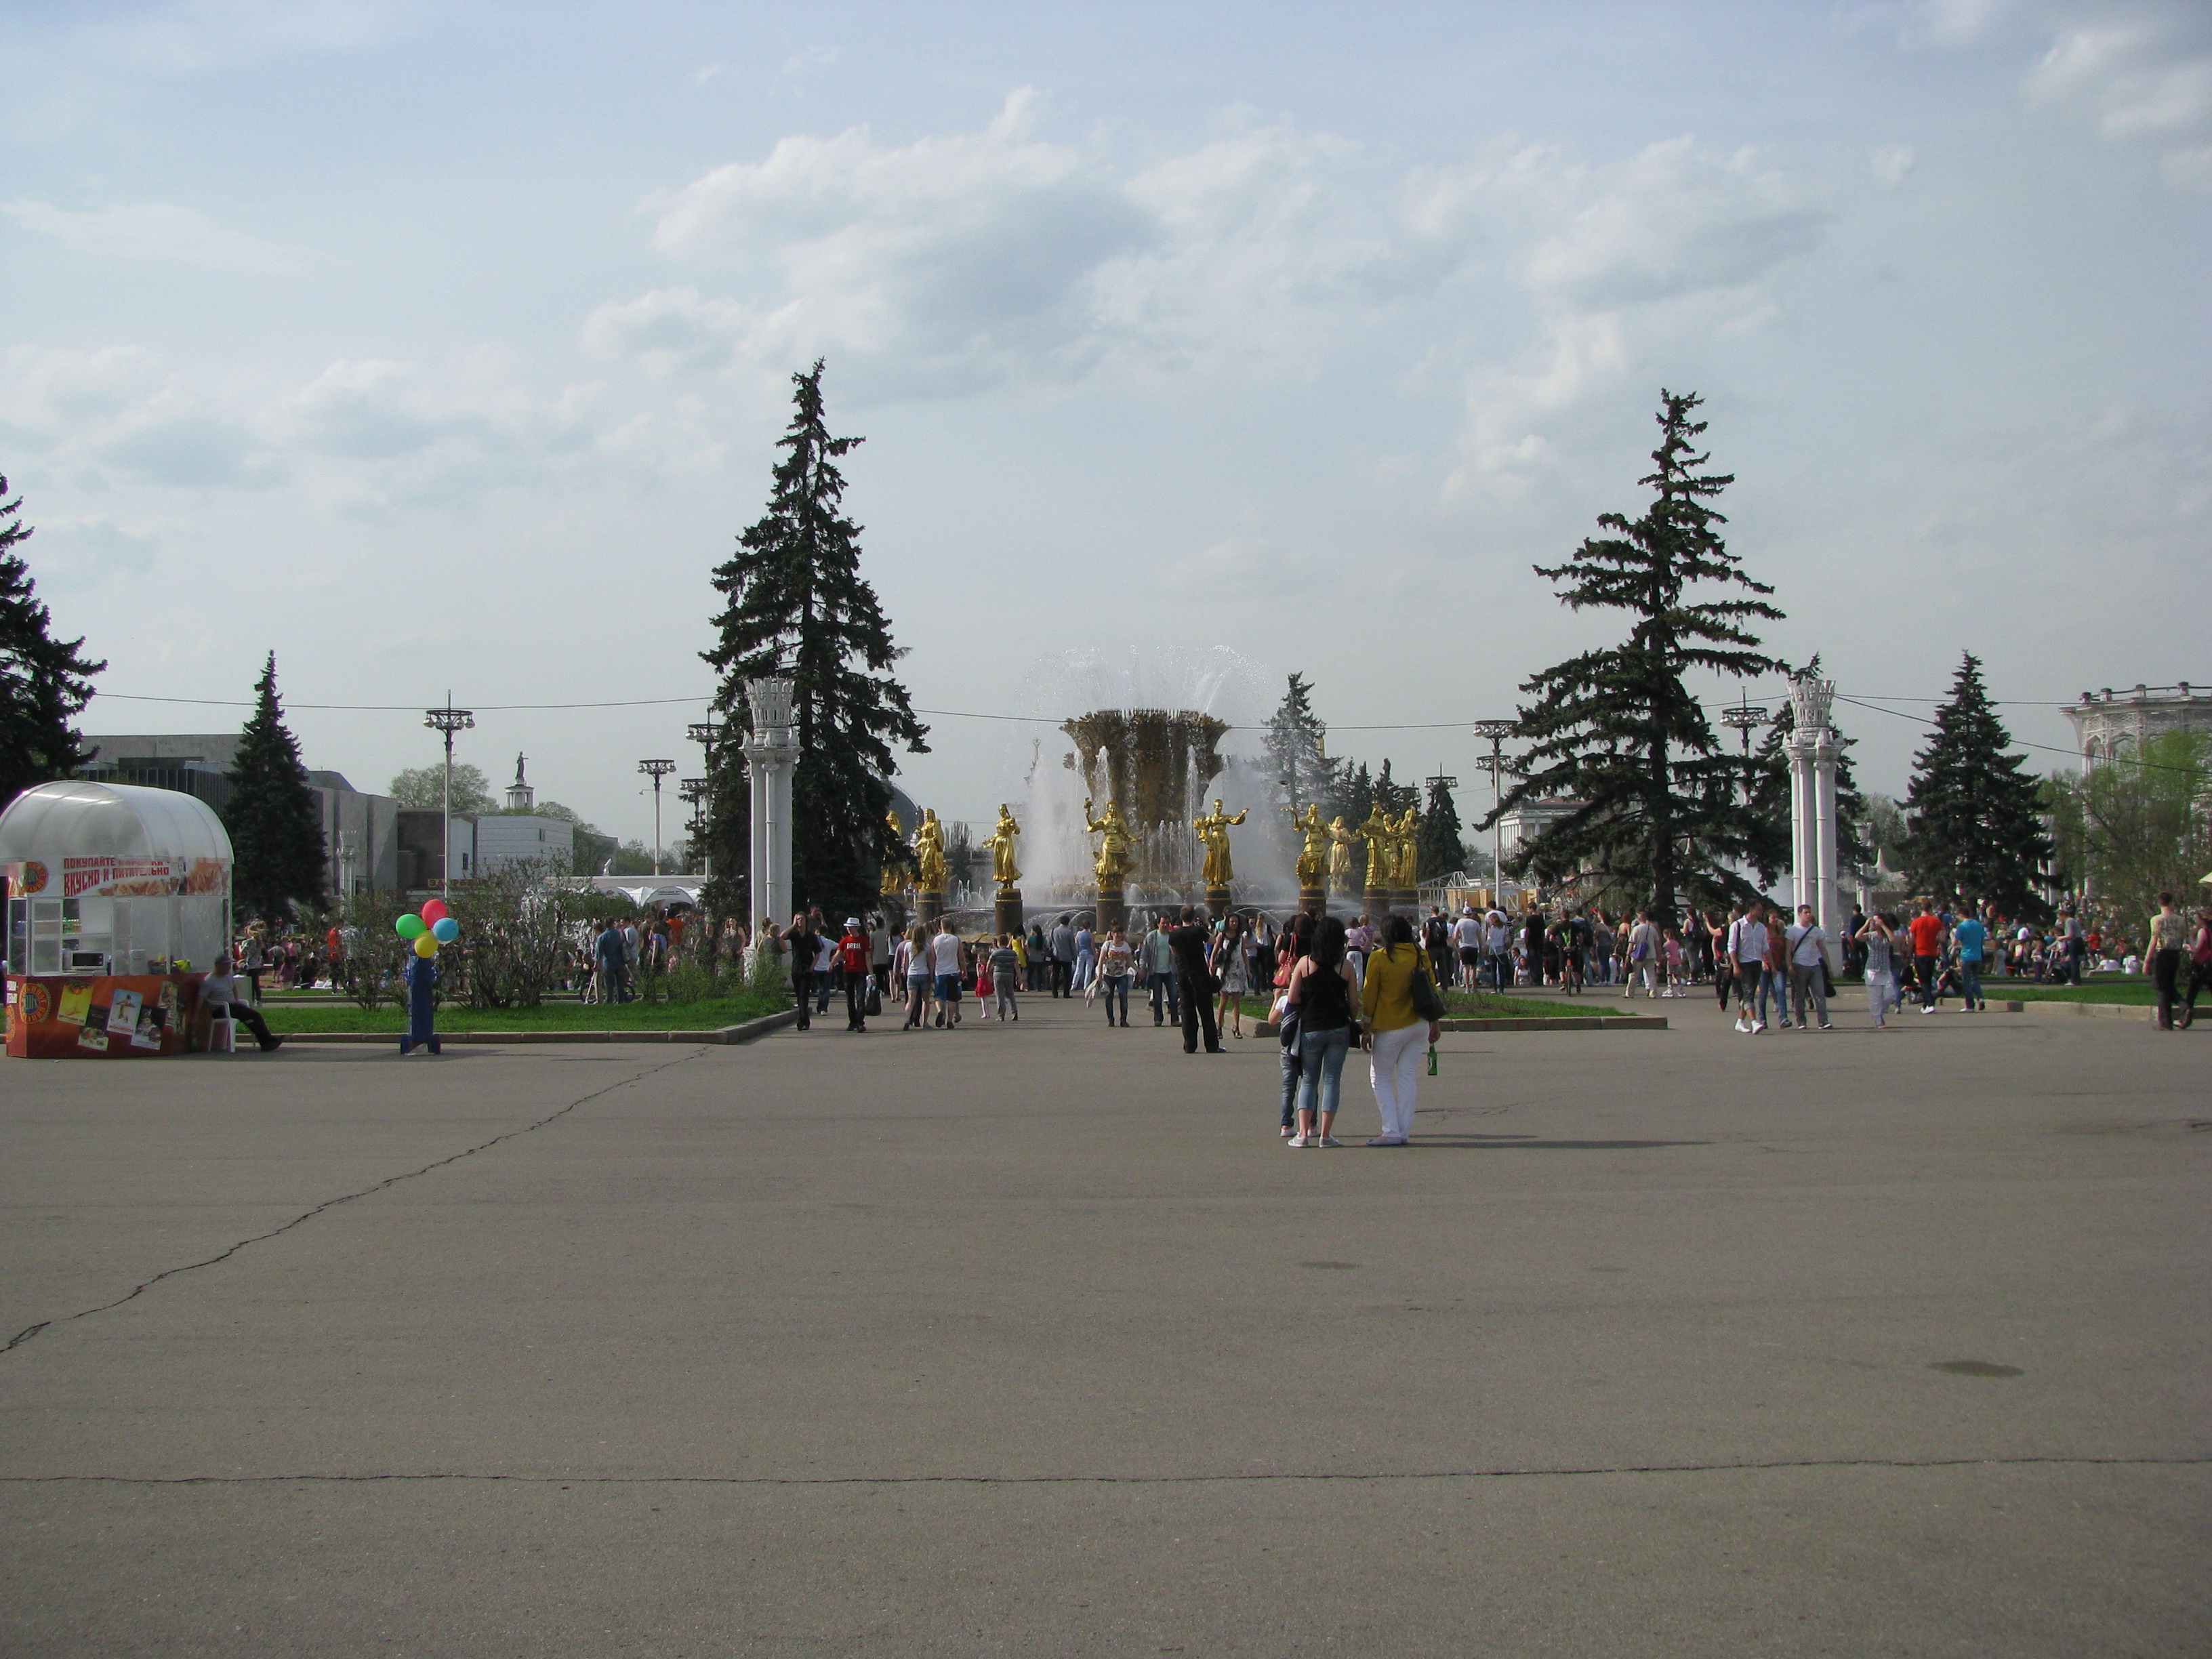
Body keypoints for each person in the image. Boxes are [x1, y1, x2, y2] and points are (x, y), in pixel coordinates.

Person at [1361, 915, 1443, 1147]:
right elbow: (1432, 989)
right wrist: (1434, 1022)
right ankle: (1404, 1130)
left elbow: (1370, 996)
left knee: (1381, 1077)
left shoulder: (1380, 958)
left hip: (1390, 1025)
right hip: (1419, 1023)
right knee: (1407, 1076)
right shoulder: (1420, 954)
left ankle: (1391, 1130)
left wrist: (1366, 1028)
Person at [1285, 916, 1359, 1148]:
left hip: (1311, 1028)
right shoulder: (1346, 966)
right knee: (1332, 1080)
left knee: (1308, 1080)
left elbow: (1293, 997)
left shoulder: (1305, 963)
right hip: (1338, 1027)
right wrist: (1353, 1020)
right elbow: (1354, 1002)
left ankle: (1304, 1134)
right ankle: (1326, 1135)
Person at [200, 956, 282, 1050]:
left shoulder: (228, 976)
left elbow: (234, 988)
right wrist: (195, 1015)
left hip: (233, 1006)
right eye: (226, 965)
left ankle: (267, 1041)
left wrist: (237, 1000)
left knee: (255, 1015)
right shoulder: (209, 981)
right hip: (220, 1009)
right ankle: (267, 1041)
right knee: (247, 1016)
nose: (228, 967)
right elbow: (201, 998)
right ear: (218, 966)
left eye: (229, 965)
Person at [1170, 905, 1222, 1054]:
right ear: (1193, 917)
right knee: (1206, 1012)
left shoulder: (1174, 935)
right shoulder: (1198, 931)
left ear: (1181, 917)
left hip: (1183, 976)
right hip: (1199, 974)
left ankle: (1190, 1045)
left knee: (1187, 1011)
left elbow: (1175, 952)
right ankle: (1211, 1045)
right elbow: (1212, 940)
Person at [2147, 892, 2188, 1031]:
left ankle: (2165, 1022)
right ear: (2171, 902)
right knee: (2170, 985)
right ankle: (2184, 1006)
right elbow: (2183, 937)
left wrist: (2147, 960)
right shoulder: (2181, 920)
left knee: (2161, 987)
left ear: (2159, 903)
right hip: (2175, 954)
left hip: (2162, 953)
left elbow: (2154, 940)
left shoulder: (2156, 920)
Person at [1786, 903, 1831, 1030]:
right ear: (1799, 914)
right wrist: (1790, 966)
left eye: (1809, 912)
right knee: (1800, 995)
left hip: (1815, 965)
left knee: (1819, 994)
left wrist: (1829, 966)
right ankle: (1801, 1021)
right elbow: (1788, 951)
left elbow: (1823, 949)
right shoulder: (1793, 931)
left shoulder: (1816, 931)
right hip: (1799, 965)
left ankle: (1823, 1021)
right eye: (1805, 912)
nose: (1808, 915)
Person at [1727, 902, 1770, 1033]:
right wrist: (1736, 966)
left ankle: (1740, 1021)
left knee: (1748, 994)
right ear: (1751, 910)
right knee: (1749, 991)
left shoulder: (1761, 927)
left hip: (1756, 962)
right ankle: (1754, 1022)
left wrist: (1770, 964)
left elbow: (1765, 947)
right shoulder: (1738, 925)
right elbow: (1732, 947)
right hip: (1743, 963)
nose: (1761, 912)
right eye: (1759, 909)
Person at [1855, 912, 1900, 1029]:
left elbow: (1892, 939)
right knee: (1875, 999)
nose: (1874, 923)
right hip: (1872, 969)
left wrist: (1883, 926)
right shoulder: (1870, 935)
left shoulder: (1886, 935)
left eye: (1876, 921)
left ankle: (1880, 1013)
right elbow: (1858, 937)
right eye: (1873, 921)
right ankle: (1878, 1021)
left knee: (1890, 995)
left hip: (1885, 969)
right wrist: (1866, 924)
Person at [1212, 914, 1252, 1039]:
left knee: (1236, 1000)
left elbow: (1244, 953)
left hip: (1238, 970)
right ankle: (1219, 1026)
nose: (1234, 924)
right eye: (1232, 922)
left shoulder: (1240, 937)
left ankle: (1236, 1027)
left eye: (1236, 922)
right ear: (1228, 922)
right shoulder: (1222, 936)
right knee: (1223, 999)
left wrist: (1248, 969)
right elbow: (1215, 951)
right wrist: (1211, 966)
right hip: (1225, 970)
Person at [1908, 901, 1946, 1012]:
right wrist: (1936, 940)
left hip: (1920, 953)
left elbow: (1912, 940)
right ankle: (1926, 1003)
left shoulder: (1915, 922)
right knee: (1928, 979)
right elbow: (1942, 938)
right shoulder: (1936, 922)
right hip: (1932, 953)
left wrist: (1909, 952)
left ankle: (1930, 1004)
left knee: (1923, 980)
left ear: (1921, 910)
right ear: (1930, 909)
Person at [1143, 914, 1181, 1027]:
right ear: (1158, 924)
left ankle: (1175, 1020)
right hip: (1156, 972)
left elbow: (1178, 953)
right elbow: (1145, 954)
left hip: (1170, 971)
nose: (1165, 925)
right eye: (1163, 923)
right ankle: (1158, 1019)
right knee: (1157, 998)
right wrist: (1143, 968)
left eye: (1167, 923)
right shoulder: (1151, 937)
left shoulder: (1172, 936)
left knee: (1173, 996)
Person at [1096, 924, 1135, 1027]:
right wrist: (1099, 975)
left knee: (1123, 996)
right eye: (1116, 933)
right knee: (1109, 998)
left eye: (1120, 933)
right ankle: (1111, 1019)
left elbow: (1130, 962)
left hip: (1122, 976)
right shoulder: (1107, 945)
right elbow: (1100, 961)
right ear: (1112, 934)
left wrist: (1139, 971)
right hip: (1108, 975)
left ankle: (1123, 1020)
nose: (1118, 935)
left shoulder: (1125, 946)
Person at [837, 918, 872, 1032]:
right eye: (847, 927)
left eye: (851, 927)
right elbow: (839, 954)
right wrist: (831, 964)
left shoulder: (863, 941)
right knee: (850, 999)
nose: (848, 929)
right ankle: (852, 1021)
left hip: (861, 972)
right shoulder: (845, 941)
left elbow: (868, 958)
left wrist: (871, 974)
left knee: (860, 998)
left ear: (857, 927)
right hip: (848, 972)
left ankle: (860, 1022)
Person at [785, 912, 818, 1031]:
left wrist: (812, 967)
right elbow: (782, 936)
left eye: (802, 919)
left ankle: (802, 1021)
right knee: (799, 996)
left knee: (804, 995)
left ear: (806, 921)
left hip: (807, 969)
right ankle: (805, 1020)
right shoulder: (794, 935)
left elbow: (818, 953)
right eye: (798, 919)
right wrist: (793, 925)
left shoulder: (811, 936)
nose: (800, 921)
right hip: (796, 968)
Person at [2182, 903, 2212, 1029]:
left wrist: (2189, 945)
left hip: (2202, 964)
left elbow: (2197, 949)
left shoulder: (2203, 932)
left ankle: (2186, 1015)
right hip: (2210, 964)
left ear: (2201, 919)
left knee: (2192, 990)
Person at [929, 917, 964, 1028]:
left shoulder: (936, 940)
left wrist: (931, 972)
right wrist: (964, 970)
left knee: (939, 996)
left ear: (940, 927)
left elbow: (932, 958)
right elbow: (961, 957)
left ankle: (940, 1011)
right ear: (951, 926)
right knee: (952, 998)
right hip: (953, 972)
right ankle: (949, 1021)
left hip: (940, 972)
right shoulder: (956, 939)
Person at [1952, 906, 1988, 1012]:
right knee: (1975, 979)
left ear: (1961, 915)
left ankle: (1970, 1005)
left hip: (1966, 956)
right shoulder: (1979, 925)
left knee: (1966, 981)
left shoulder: (1962, 927)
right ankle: (1980, 998)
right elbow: (1983, 940)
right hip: (1977, 955)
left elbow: (1955, 942)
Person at [897, 922, 931, 1031]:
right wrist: (931, 975)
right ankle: (925, 1022)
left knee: (911, 1000)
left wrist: (906, 973)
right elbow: (930, 962)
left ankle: (907, 1020)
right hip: (924, 974)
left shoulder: (908, 945)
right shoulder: (927, 947)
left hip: (912, 974)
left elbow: (905, 962)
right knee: (926, 1000)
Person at [594, 918, 631, 1006]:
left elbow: (599, 953)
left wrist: (597, 964)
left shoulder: (602, 937)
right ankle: (621, 999)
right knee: (620, 983)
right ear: (613, 924)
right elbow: (625, 945)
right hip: (620, 961)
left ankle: (609, 999)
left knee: (609, 983)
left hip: (608, 963)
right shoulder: (620, 933)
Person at [1623, 911, 1660, 999]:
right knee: (1651, 975)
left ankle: (1630, 993)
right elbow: (1657, 943)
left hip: (1638, 955)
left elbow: (1631, 944)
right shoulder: (1652, 929)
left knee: (1634, 975)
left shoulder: (1636, 929)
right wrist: (1659, 955)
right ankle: (1653, 993)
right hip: (1651, 954)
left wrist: (1628, 956)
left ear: (1639, 919)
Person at [989, 933, 1022, 1023]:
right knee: (1010, 995)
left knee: (1000, 996)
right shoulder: (1012, 953)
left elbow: (990, 963)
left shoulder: (995, 953)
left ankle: (1001, 1015)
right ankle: (1014, 1013)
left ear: (999, 943)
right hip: (1009, 975)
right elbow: (1017, 966)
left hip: (998, 974)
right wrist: (1019, 978)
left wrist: (988, 974)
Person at [1452, 905, 1483, 991]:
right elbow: (1479, 938)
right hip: (1473, 947)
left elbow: (1455, 938)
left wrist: (1458, 949)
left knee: (1466, 968)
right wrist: (1481, 948)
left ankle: (1467, 988)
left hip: (1463, 947)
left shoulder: (1460, 922)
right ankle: (1474, 987)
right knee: (1473, 968)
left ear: (1464, 914)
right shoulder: (1475, 923)